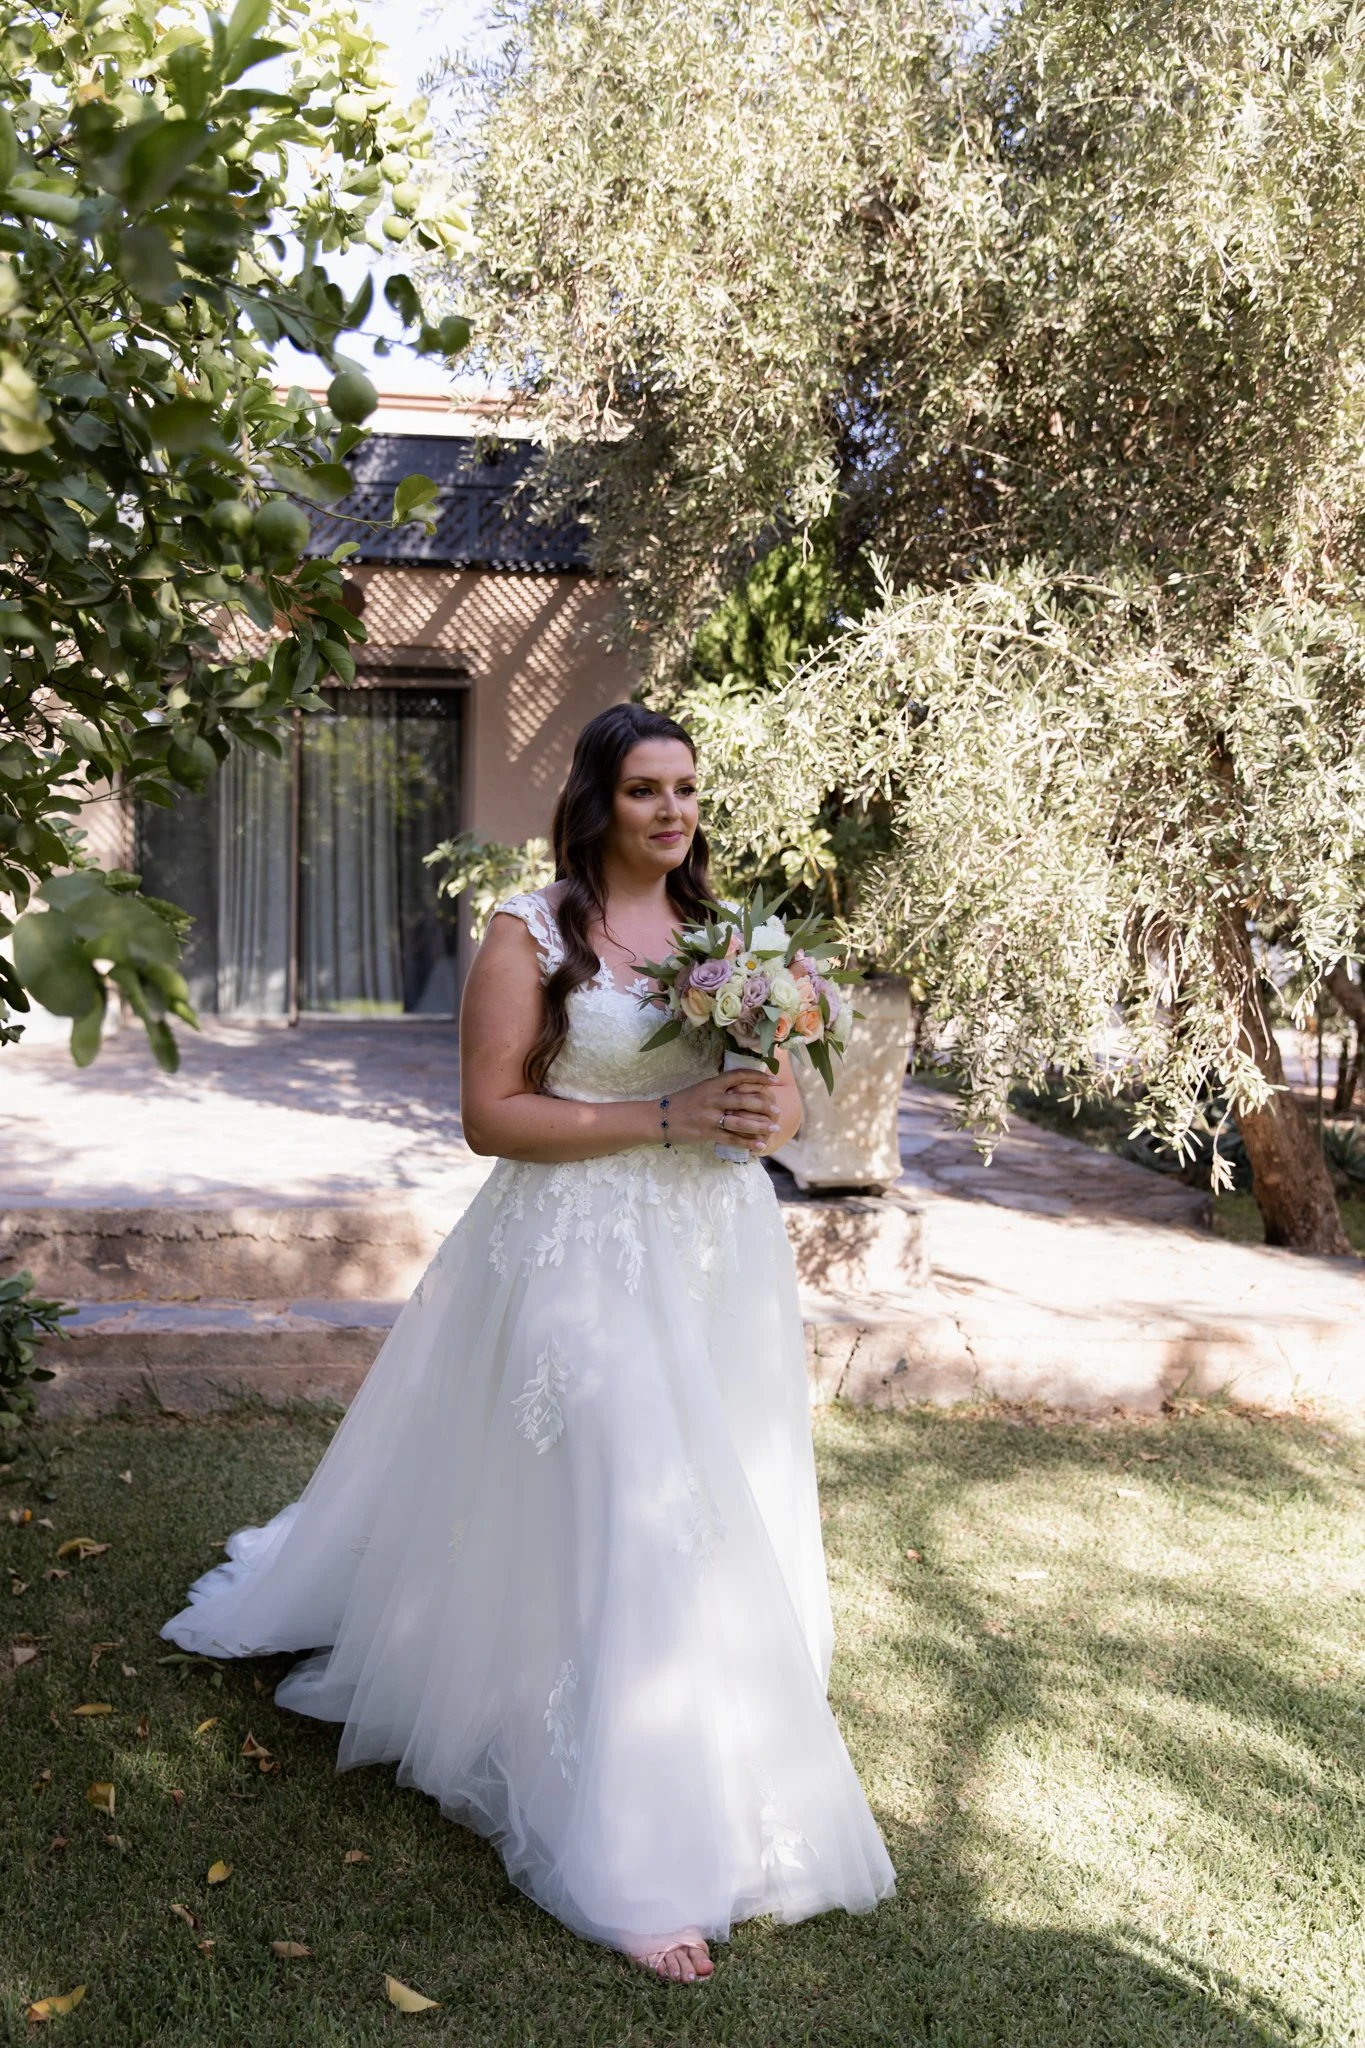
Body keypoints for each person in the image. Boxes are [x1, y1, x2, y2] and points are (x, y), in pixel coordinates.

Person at [161, 702, 895, 1984]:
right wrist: (664, 1113)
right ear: (597, 799)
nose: (672, 811)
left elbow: (771, 1105)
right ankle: (632, 1854)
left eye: (685, 789)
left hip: (713, 1256)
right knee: (632, 1493)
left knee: (720, 1500)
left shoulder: (736, 940)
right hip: (575, 1248)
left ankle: (719, 1747)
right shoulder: (532, 929)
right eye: (644, 790)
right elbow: (490, 1117)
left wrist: (765, 1103)